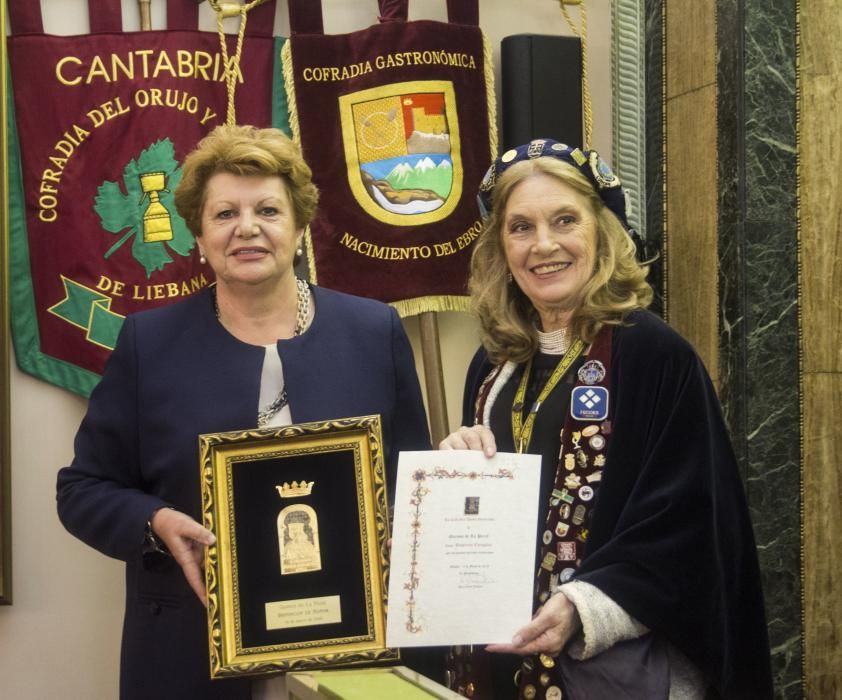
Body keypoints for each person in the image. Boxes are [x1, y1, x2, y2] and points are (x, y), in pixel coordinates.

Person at [56, 125, 432, 700]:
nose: (247, 228)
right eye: (225, 213)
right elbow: (82, 489)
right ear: (200, 238)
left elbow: (414, 490)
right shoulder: (148, 343)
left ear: (300, 228)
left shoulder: (372, 331)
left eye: (268, 210)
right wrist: (155, 523)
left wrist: (461, 473)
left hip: (352, 653)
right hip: (188, 652)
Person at [439, 139, 773, 700]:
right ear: (501, 247)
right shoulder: (493, 364)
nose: (543, 245)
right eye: (520, 227)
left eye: (564, 220)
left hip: (616, 671)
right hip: (501, 661)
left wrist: (584, 606)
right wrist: (456, 470)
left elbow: (693, 527)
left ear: (602, 232)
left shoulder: (654, 355)